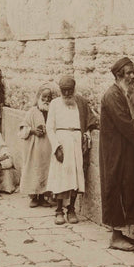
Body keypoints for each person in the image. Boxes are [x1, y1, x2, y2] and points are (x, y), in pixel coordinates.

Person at [99, 57, 134, 252]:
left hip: (127, 151)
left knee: (129, 187)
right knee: (115, 187)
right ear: (119, 76)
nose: (132, 76)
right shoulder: (112, 95)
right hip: (115, 151)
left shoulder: (127, 93)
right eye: (129, 73)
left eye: (133, 72)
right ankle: (115, 237)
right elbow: (126, 124)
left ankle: (126, 232)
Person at [46, 76, 98, 225]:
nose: (67, 94)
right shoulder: (55, 104)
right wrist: (56, 147)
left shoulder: (80, 102)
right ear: (60, 91)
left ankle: (71, 209)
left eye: (70, 91)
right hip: (61, 143)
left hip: (76, 143)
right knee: (61, 176)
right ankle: (58, 210)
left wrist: (86, 134)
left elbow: (90, 121)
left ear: (74, 90)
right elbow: (50, 127)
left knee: (76, 176)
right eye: (64, 91)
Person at [18, 85, 54, 208]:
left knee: (45, 171)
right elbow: (22, 128)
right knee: (34, 170)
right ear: (39, 97)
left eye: (49, 97)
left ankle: (43, 197)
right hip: (35, 148)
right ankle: (34, 197)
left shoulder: (52, 112)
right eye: (44, 97)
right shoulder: (32, 111)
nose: (46, 100)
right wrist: (33, 131)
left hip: (47, 148)